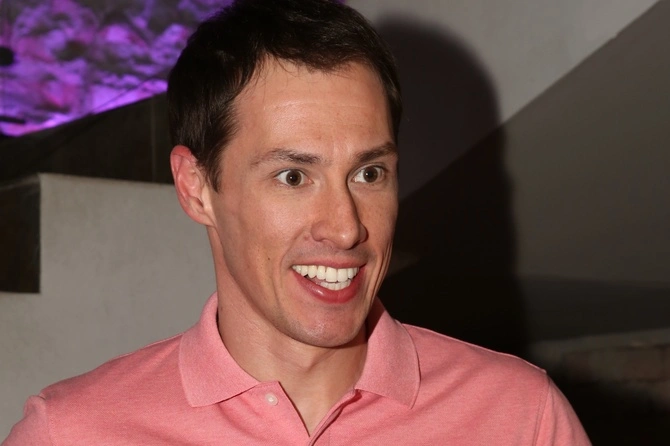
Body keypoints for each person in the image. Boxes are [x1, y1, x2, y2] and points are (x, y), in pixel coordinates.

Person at [3, 0, 590, 444]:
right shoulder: (71, 434)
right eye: (292, 176)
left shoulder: (522, 418)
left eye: (369, 173)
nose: (345, 228)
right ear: (196, 188)